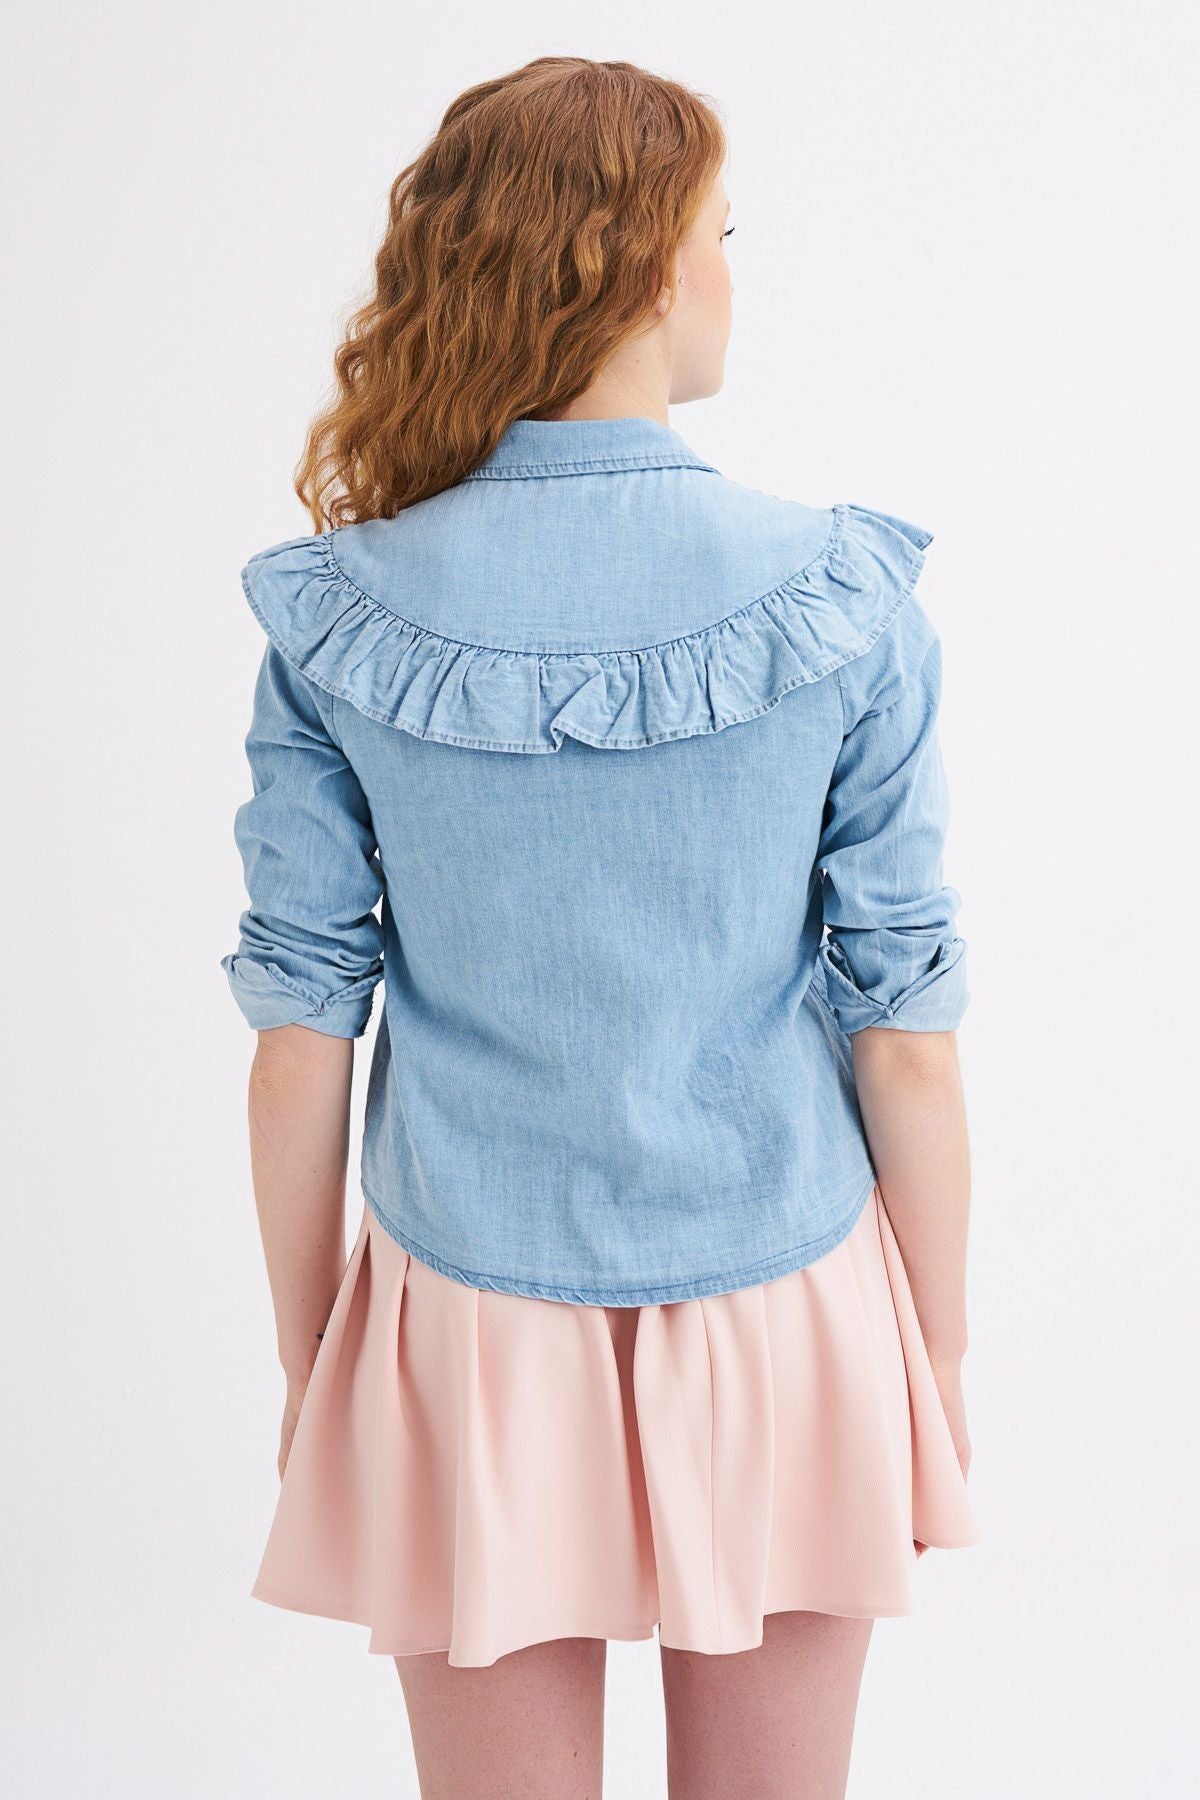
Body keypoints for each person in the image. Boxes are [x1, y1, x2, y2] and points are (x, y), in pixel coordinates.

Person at [220, 54, 980, 1800]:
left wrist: (309, 1353)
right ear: (641, 269)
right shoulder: (842, 599)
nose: (731, 272)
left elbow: (299, 1037)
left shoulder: (343, 613)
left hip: (461, 1319)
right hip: (789, 1291)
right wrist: (932, 1350)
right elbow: (909, 1041)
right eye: (725, 234)